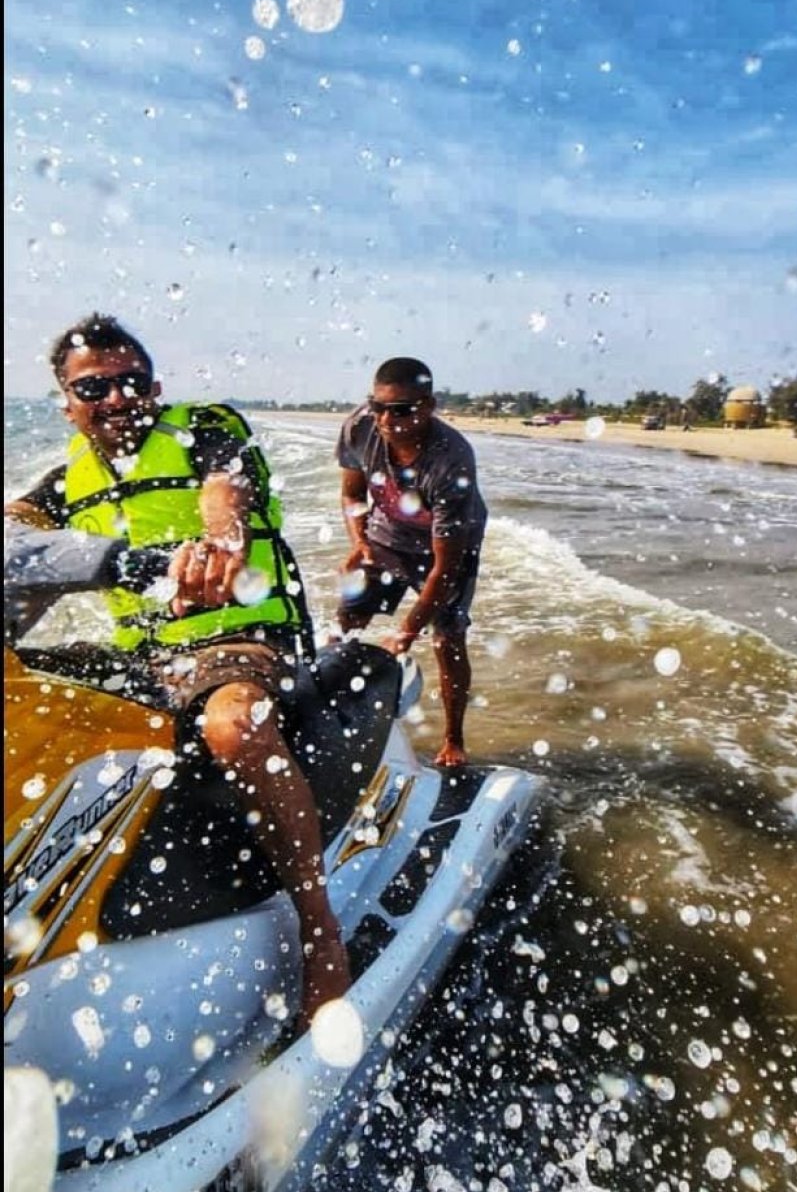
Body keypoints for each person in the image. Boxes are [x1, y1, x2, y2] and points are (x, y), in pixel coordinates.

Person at [4, 313, 349, 1027]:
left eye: (130, 381)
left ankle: (319, 923)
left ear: (153, 386)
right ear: (67, 403)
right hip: (146, 657)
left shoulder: (206, 430)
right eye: (93, 386)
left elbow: (224, 496)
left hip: (238, 639)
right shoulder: (68, 476)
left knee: (232, 726)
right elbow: (18, 531)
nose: (116, 397)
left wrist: (217, 548)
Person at [335, 357, 487, 768]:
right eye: (377, 406)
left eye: (400, 410)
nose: (385, 419)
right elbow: (352, 496)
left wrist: (405, 633)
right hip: (388, 533)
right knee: (348, 613)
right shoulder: (359, 427)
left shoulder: (451, 459)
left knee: (447, 638)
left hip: (449, 546)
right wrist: (360, 542)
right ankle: (336, 706)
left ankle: (454, 738)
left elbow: (445, 568)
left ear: (428, 405)